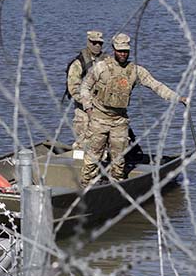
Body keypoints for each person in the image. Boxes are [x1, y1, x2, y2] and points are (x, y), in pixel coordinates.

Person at [78, 32, 188, 185]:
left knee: (119, 161)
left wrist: (179, 98)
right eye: (120, 50)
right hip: (99, 118)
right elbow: (84, 87)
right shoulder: (101, 67)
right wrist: (88, 107)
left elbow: (156, 85)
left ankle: (116, 187)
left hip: (119, 120)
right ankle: (86, 187)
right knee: (92, 158)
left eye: (125, 51)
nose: (123, 54)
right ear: (114, 49)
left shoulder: (135, 71)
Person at [66, 30, 105, 145]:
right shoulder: (78, 64)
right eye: (94, 43)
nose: (97, 46)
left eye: (100, 43)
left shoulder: (106, 61)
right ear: (88, 42)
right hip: (83, 112)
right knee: (83, 145)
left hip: (102, 110)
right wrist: (88, 103)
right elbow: (73, 89)